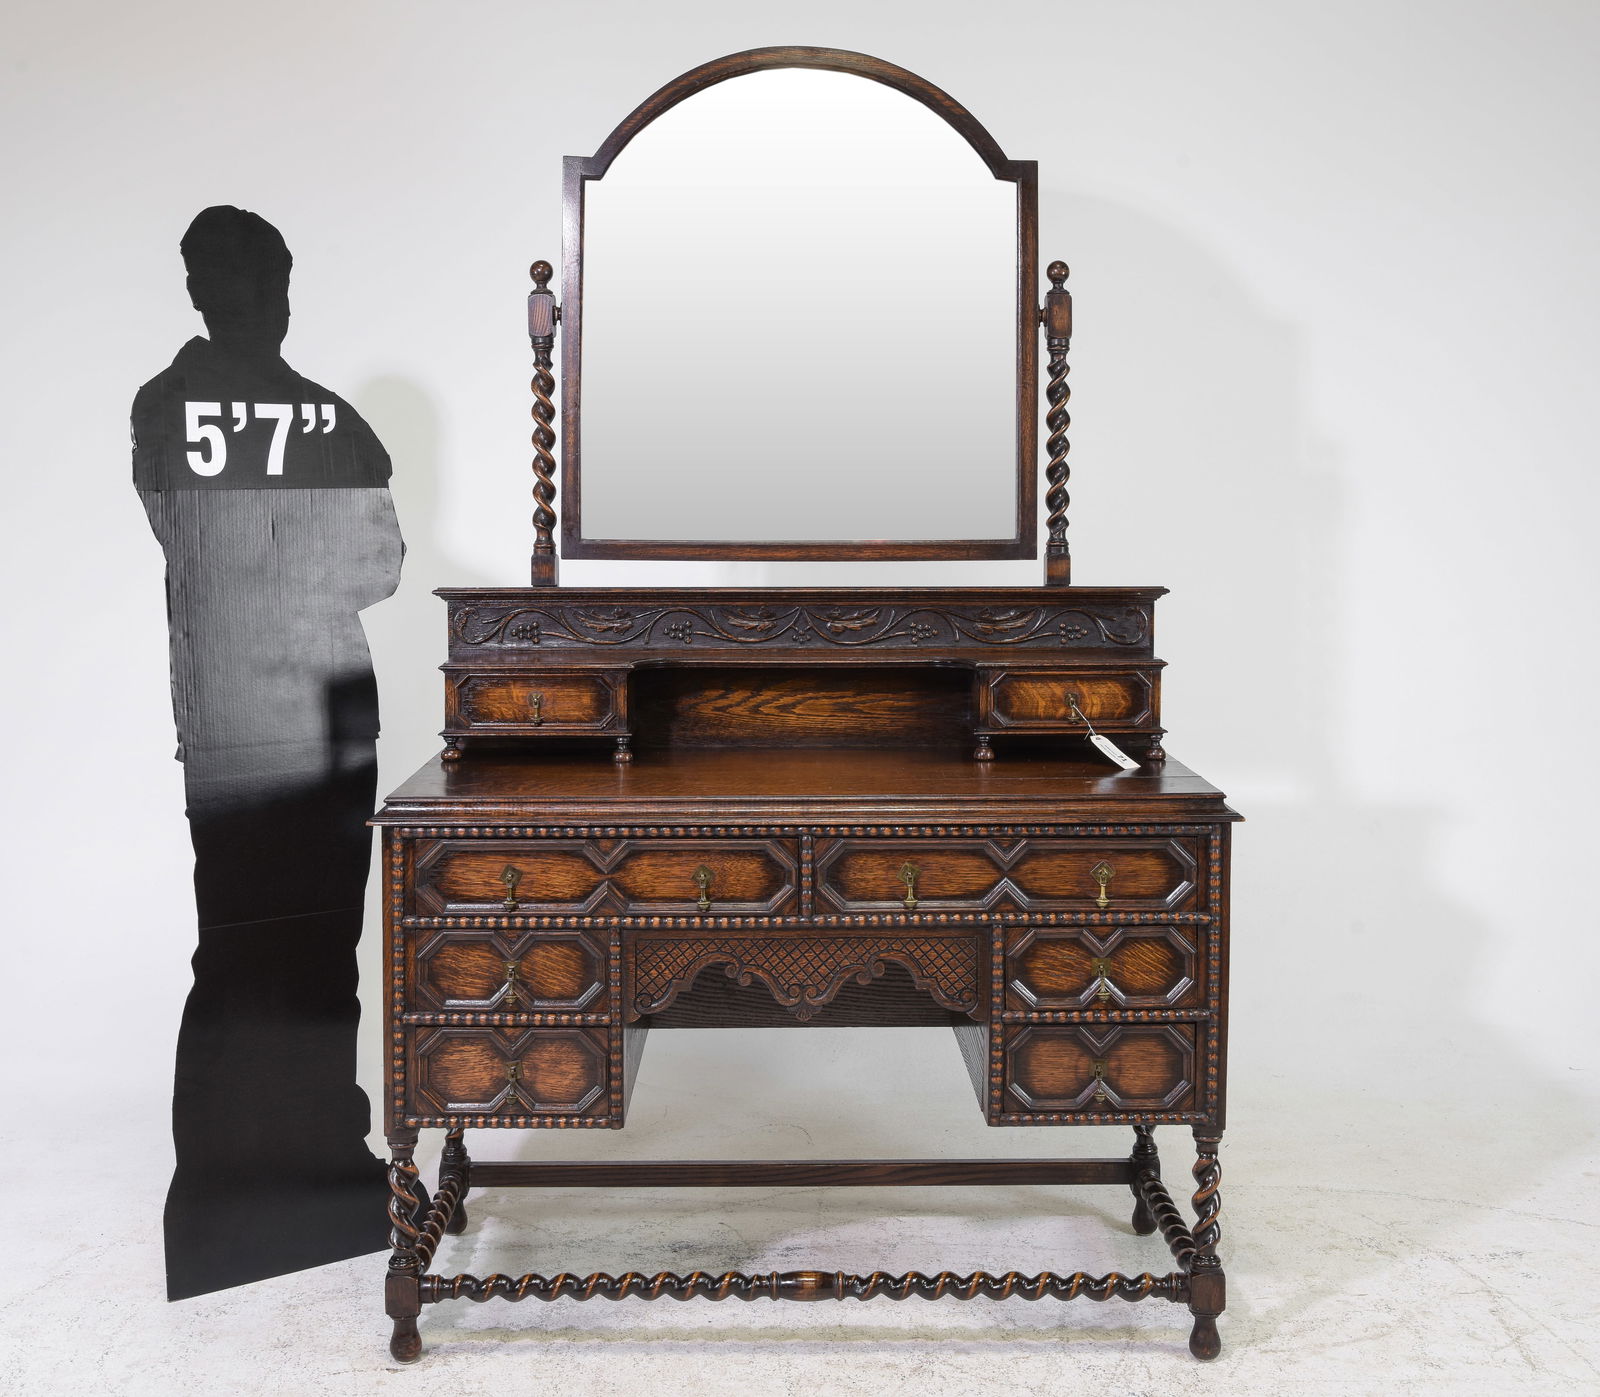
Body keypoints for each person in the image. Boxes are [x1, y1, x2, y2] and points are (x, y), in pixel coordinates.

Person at [133, 206, 404, 1299]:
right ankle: (312, 1165)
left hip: (226, 719)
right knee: (314, 953)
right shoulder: (333, 419)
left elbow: (174, 528)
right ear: (274, 289)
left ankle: (231, 1179)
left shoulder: (162, 407)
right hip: (326, 720)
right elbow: (378, 569)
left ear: (199, 290)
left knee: (239, 949)